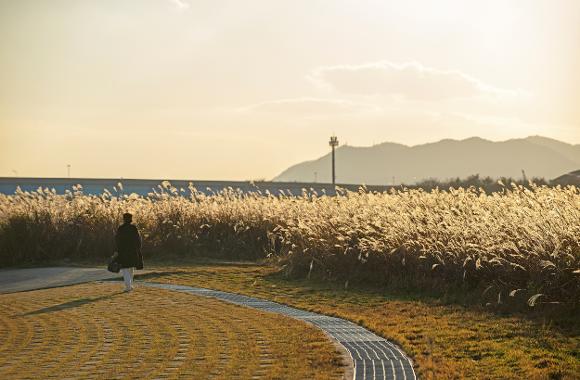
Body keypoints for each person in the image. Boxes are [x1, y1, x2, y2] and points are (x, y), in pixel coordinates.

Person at [115, 212, 143, 292]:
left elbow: (117, 240)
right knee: (131, 268)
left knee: (125, 269)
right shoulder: (134, 228)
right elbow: (138, 239)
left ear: (123, 219)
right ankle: (130, 285)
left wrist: (117, 250)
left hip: (123, 251)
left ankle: (128, 287)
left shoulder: (121, 228)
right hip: (133, 250)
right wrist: (138, 249)